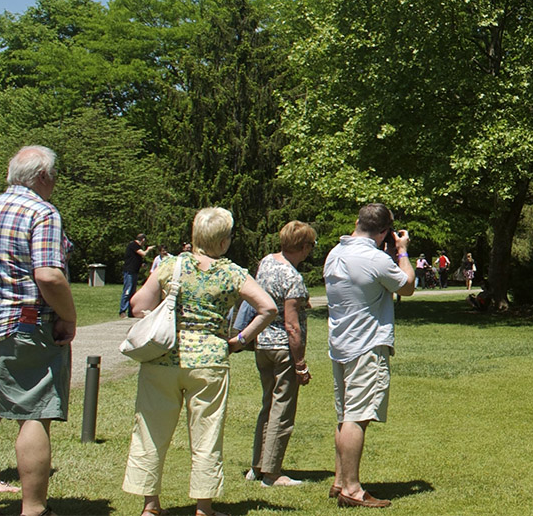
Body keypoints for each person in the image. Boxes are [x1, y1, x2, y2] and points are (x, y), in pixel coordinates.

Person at [121, 207, 277, 516]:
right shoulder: (232, 272)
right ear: (222, 242)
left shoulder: (170, 266)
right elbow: (268, 308)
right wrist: (240, 339)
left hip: (162, 359)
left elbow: (138, 305)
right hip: (209, 361)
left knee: (151, 431)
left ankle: (150, 507)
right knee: (207, 434)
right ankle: (203, 509)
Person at [0, 145, 76, 516]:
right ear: (42, 177)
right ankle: (34, 508)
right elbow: (49, 275)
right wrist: (67, 316)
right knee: (34, 415)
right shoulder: (42, 212)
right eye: (53, 177)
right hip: (24, 325)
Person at [324, 203, 416, 508]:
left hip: (340, 345)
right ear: (384, 232)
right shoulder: (375, 259)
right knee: (358, 418)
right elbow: (408, 286)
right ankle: (352, 489)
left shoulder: (335, 253)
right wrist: (401, 250)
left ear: (356, 222)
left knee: (344, 417)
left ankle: (339, 481)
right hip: (366, 346)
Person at [248, 220, 316, 488]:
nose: (311, 250)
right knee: (282, 410)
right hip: (282, 349)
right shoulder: (293, 277)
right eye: (311, 244)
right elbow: (292, 325)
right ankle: (272, 473)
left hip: (261, 344)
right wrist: (300, 363)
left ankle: (257, 465)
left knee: (267, 405)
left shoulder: (267, 262)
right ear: (303, 246)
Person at [120, 232, 153, 318]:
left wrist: (141, 264)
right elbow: (143, 254)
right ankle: (122, 311)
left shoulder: (136, 247)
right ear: (142, 240)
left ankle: (131, 312)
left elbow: (135, 258)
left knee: (132, 293)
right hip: (129, 272)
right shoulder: (133, 245)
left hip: (134, 271)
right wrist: (148, 249)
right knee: (127, 291)